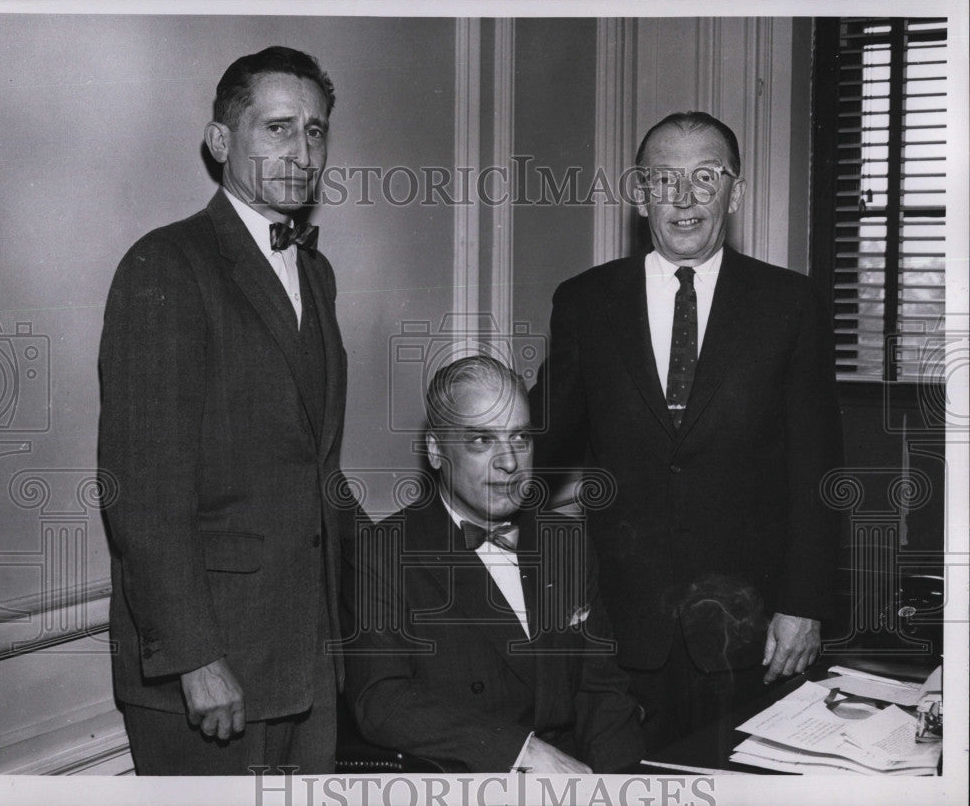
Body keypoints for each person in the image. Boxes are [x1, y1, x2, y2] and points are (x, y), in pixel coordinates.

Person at [530, 111, 843, 749]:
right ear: (639, 192)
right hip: (618, 624)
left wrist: (804, 603)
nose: (684, 198)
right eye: (663, 178)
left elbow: (817, 468)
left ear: (736, 193)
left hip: (750, 631)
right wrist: (472, 440)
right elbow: (547, 440)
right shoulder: (586, 302)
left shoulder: (790, 303)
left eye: (705, 177)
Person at [98, 46, 352, 775]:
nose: (301, 151)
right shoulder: (166, 264)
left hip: (305, 659)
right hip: (210, 675)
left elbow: (313, 467)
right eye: (277, 128)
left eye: (315, 131)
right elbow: (141, 495)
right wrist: (195, 657)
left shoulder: (316, 271)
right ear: (220, 142)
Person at [341, 356, 645, 773]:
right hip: (469, 781)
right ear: (435, 449)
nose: (509, 461)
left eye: (520, 437)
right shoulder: (385, 551)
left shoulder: (566, 540)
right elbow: (380, 700)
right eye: (482, 440)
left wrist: (619, 788)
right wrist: (521, 751)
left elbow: (602, 692)